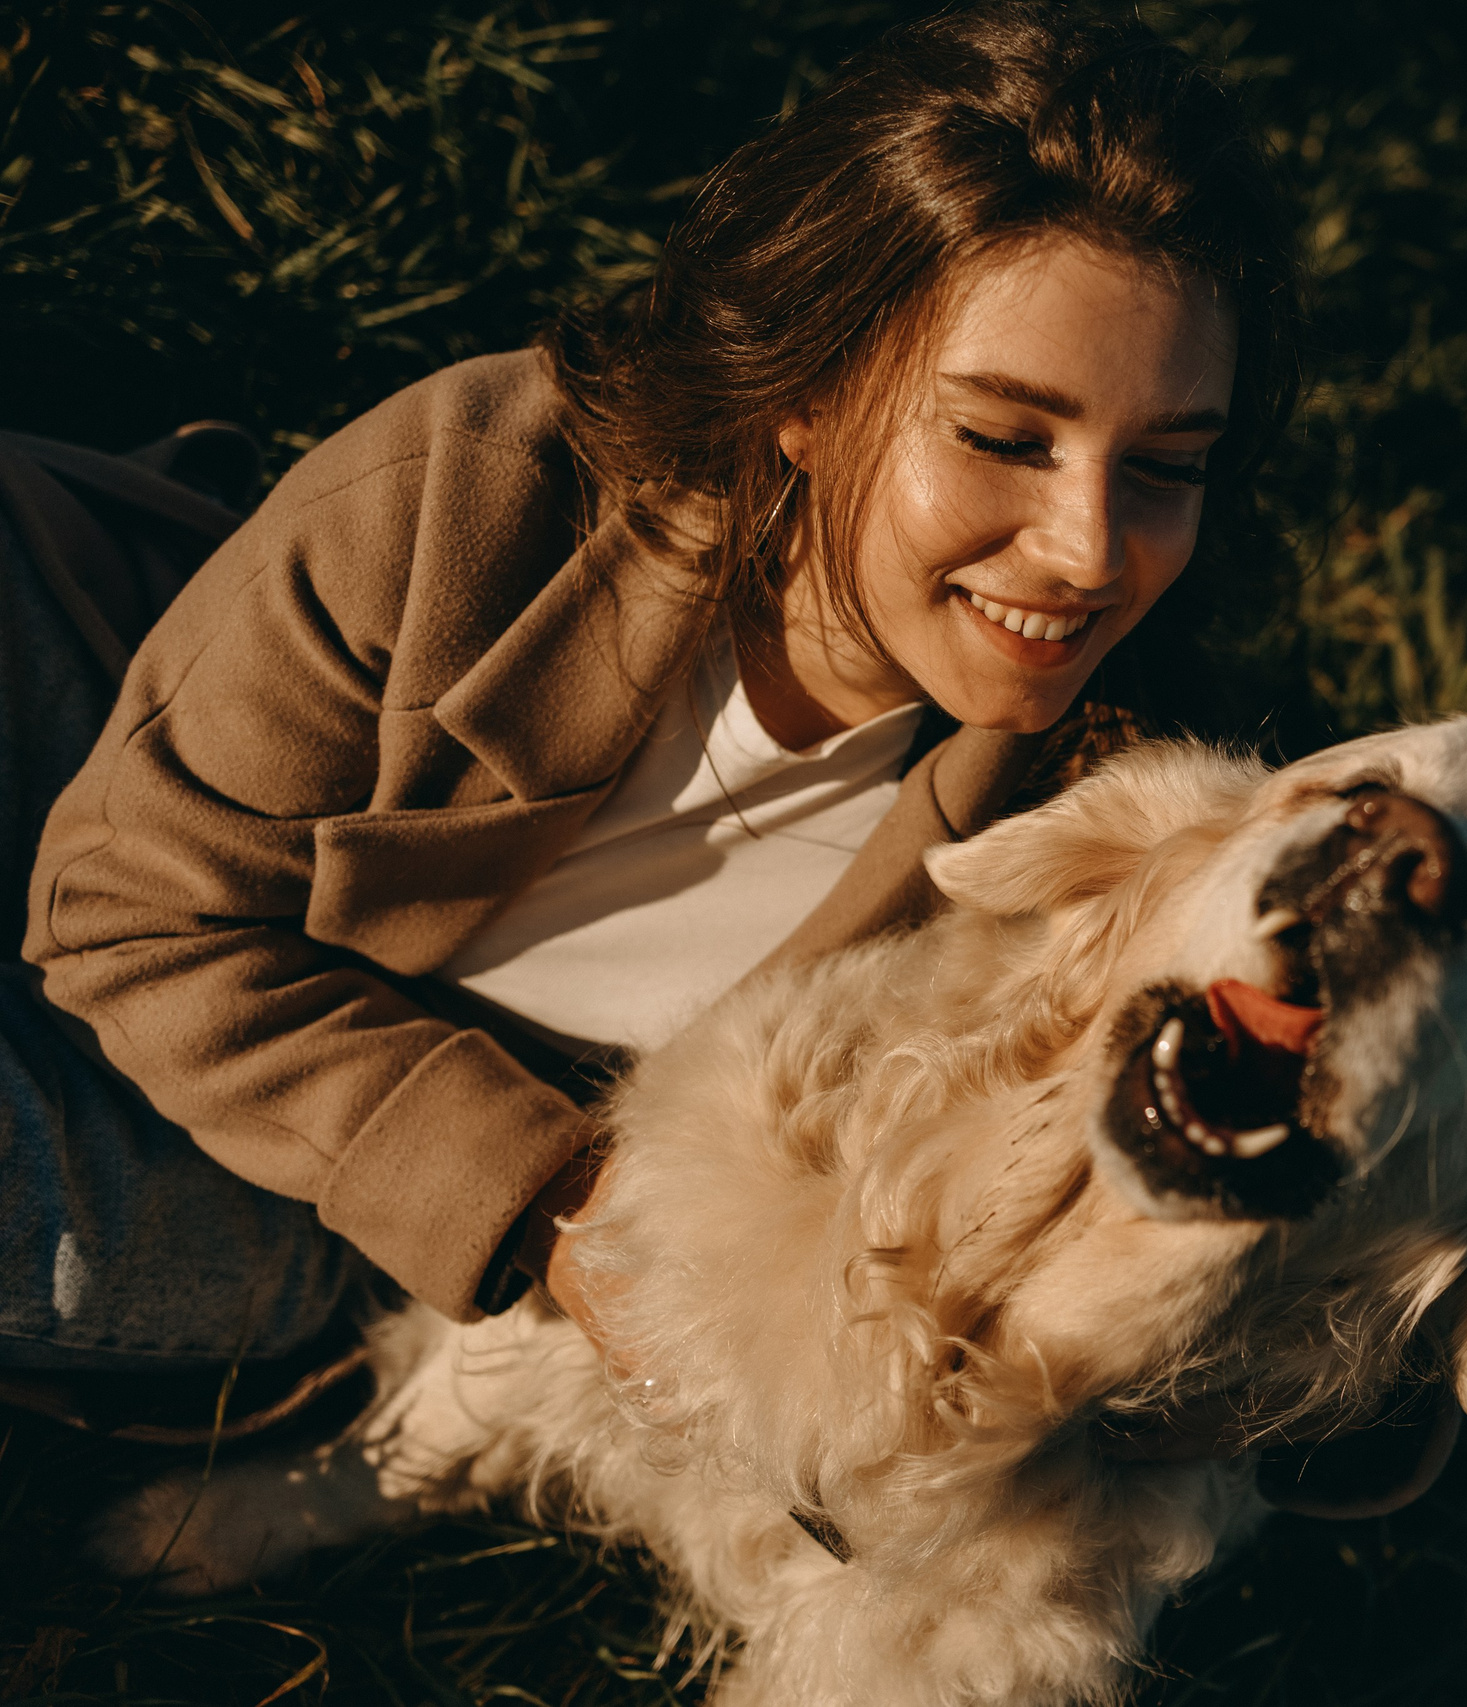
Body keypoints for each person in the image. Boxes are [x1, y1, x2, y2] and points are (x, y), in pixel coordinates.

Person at [3, 3, 1301, 1387]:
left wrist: (547, 1205)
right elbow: (135, 904)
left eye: (1168, 467)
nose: (1093, 548)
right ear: (800, 390)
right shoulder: (472, 497)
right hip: (104, 745)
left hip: (333, 1192)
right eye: (1001, 437)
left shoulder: (1100, 837)